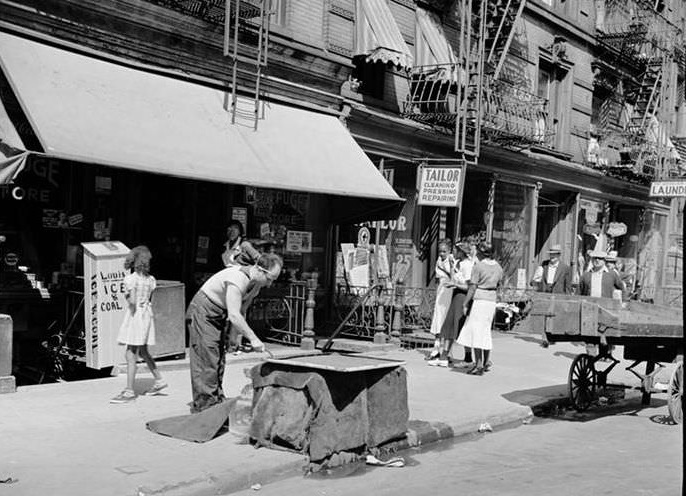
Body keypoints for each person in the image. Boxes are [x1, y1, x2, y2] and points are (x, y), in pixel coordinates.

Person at [186, 253, 282, 413]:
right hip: (203, 311)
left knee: (219, 359)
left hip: (220, 314)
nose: (270, 284)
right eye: (270, 278)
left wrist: (234, 336)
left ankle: (216, 401)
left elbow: (241, 310)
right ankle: (205, 407)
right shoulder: (237, 278)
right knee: (207, 357)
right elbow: (234, 315)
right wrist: (253, 338)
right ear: (259, 270)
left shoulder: (256, 285)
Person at [110, 246, 166, 404]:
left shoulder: (131, 279)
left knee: (130, 352)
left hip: (136, 316)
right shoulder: (150, 280)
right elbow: (150, 299)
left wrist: (128, 298)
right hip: (147, 314)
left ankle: (129, 391)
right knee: (143, 351)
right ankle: (159, 380)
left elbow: (133, 301)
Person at [456, 242, 503, 376]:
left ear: (481, 253)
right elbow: (499, 283)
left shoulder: (479, 266)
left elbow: (472, 287)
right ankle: (487, 360)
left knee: (476, 331)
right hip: (491, 300)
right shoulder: (498, 267)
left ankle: (479, 364)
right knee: (485, 331)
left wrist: (465, 303)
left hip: (480, 299)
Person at [428, 242, 472, 367]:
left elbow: (469, 286)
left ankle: (464, 357)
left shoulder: (467, 265)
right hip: (455, 294)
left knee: (459, 326)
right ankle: (444, 355)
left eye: (455, 251)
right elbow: (453, 278)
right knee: (449, 325)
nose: (453, 253)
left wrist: (456, 285)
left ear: (461, 252)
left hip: (461, 296)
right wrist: (452, 267)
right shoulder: (457, 263)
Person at [427, 239, 455, 361]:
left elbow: (455, 275)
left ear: (449, 251)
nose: (442, 253)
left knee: (445, 318)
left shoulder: (452, 259)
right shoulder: (439, 260)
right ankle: (436, 348)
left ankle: (446, 350)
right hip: (441, 288)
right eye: (440, 251)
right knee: (438, 317)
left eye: (444, 251)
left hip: (449, 289)